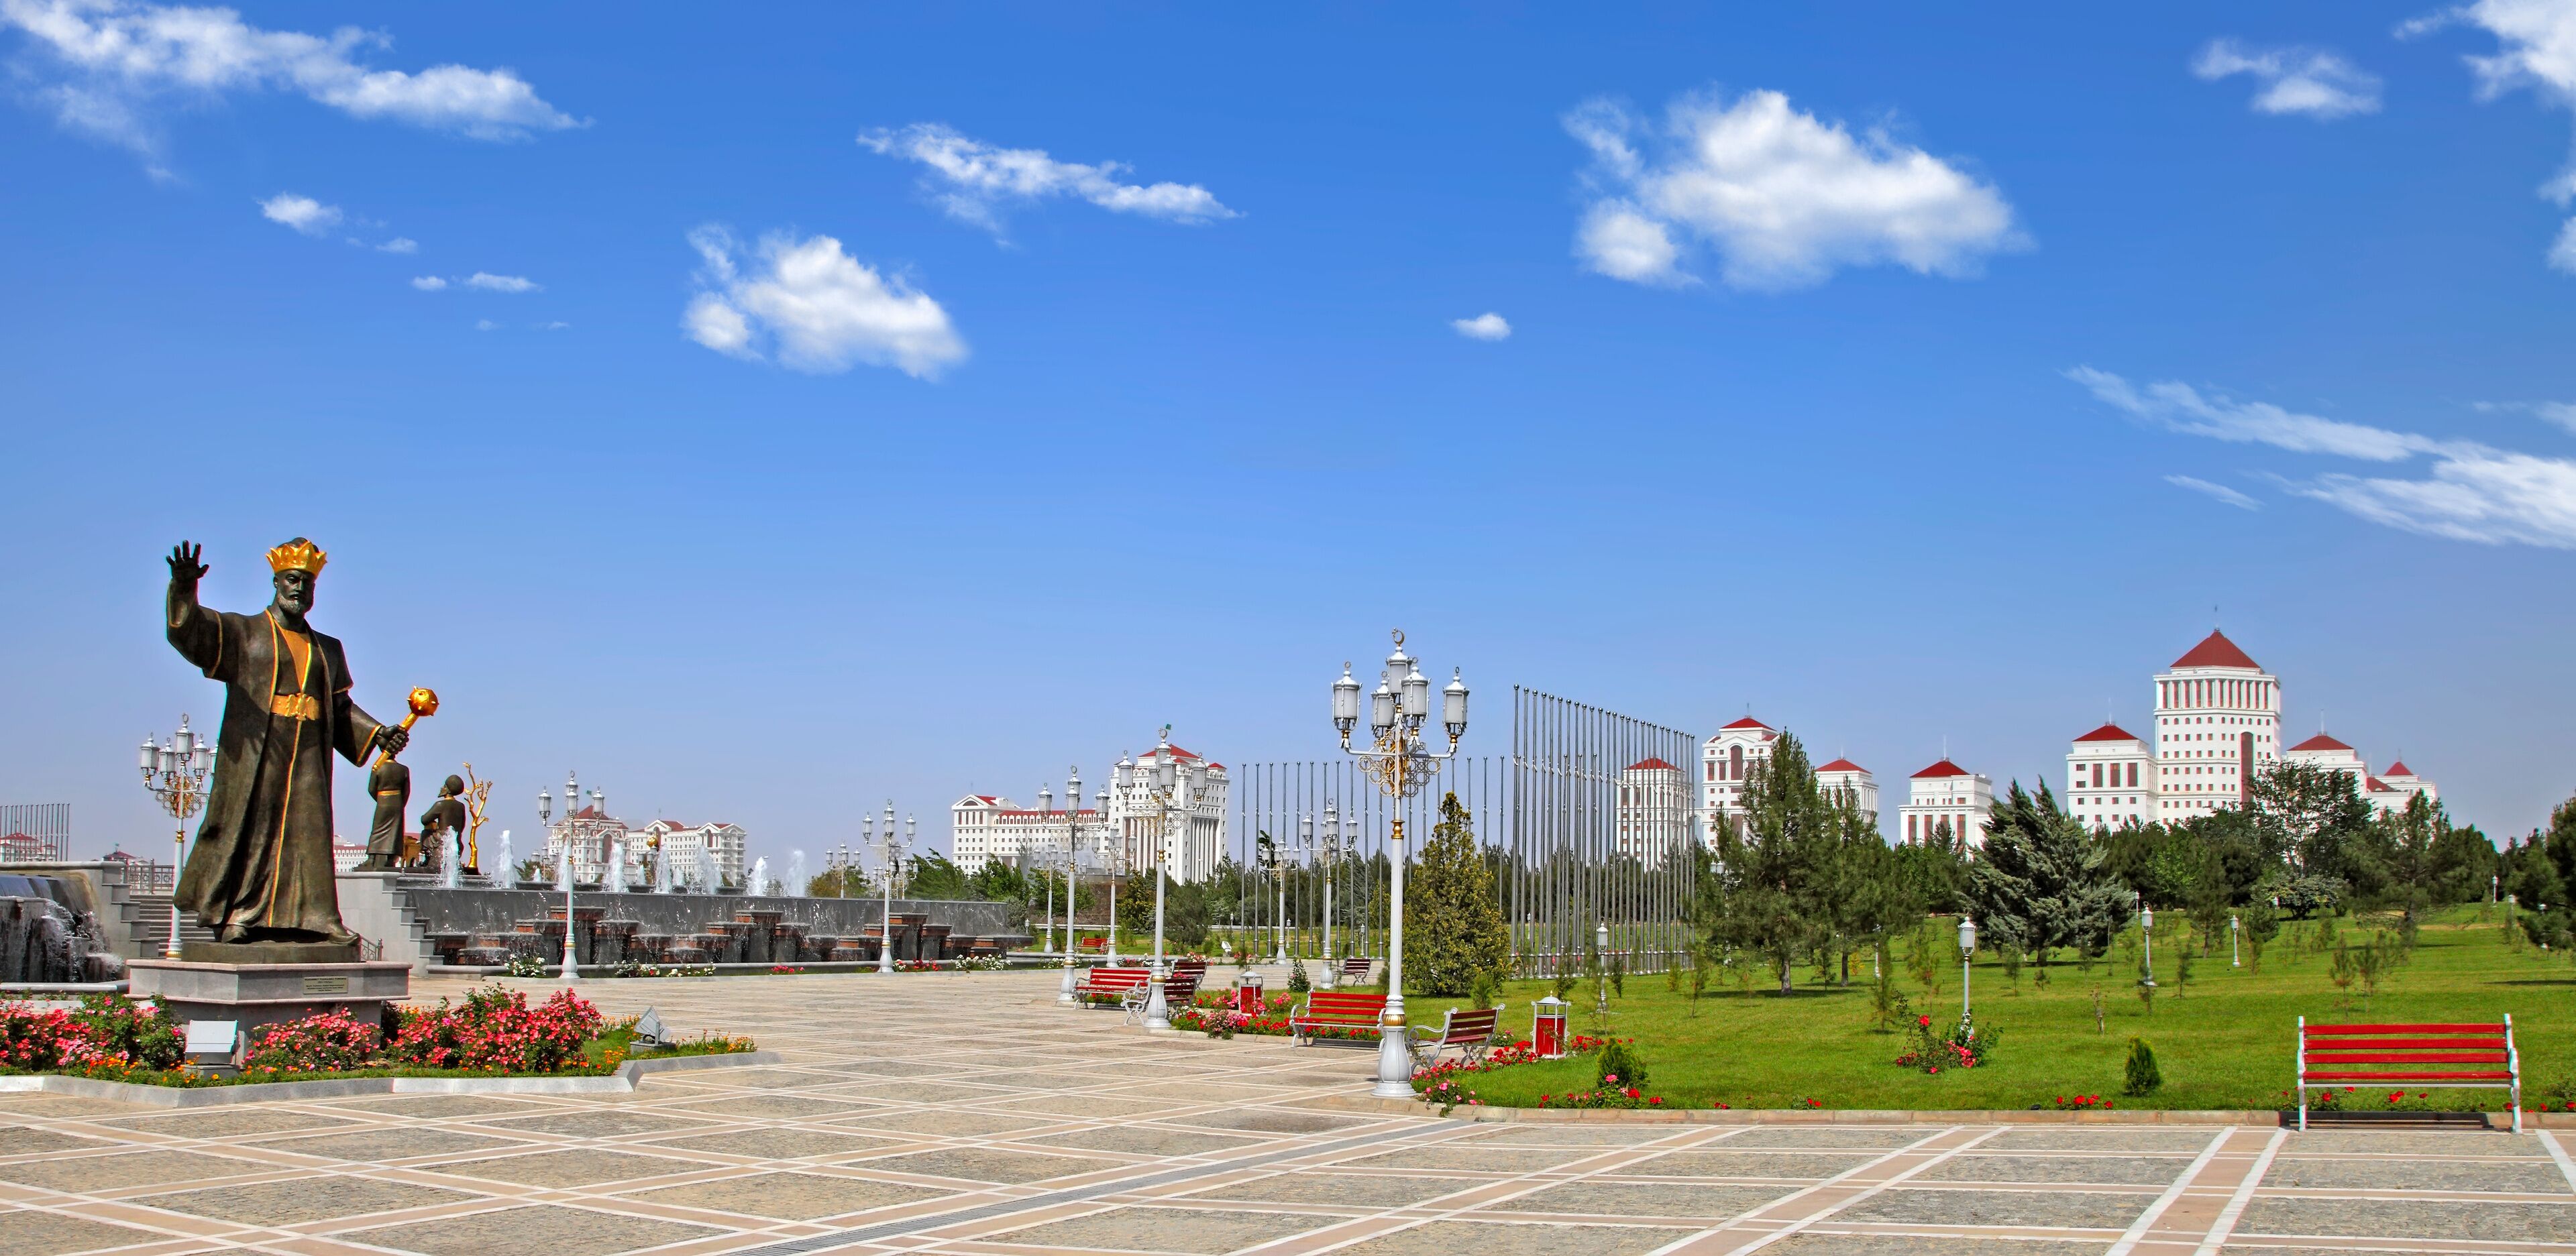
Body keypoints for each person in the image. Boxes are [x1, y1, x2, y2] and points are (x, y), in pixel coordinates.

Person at [164, 539, 409, 946]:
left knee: (309, 834)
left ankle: (318, 919)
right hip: (258, 754)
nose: (300, 589)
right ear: (276, 582)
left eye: (307, 583)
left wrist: (378, 731)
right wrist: (184, 588)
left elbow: (339, 705)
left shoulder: (327, 648)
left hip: (309, 756)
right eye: (292, 580)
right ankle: (239, 914)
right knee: (252, 828)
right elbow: (190, 635)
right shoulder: (244, 632)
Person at [421, 776, 470, 874]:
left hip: (440, 840)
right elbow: (462, 825)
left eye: (444, 786)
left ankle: (428, 858)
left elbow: (424, 820)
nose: (442, 788)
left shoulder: (440, 805)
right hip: (456, 841)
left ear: (447, 789)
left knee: (426, 832)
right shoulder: (461, 806)